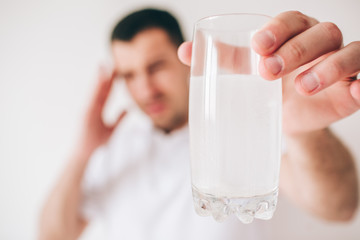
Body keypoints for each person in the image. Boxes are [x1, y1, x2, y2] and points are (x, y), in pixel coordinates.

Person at [39, 8, 359, 240]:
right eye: (130, 75)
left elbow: (340, 206)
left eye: (156, 66)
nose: (145, 89)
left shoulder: (246, 125)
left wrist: (299, 129)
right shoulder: (114, 146)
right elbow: (53, 235)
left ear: (186, 62)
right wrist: (82, 153)